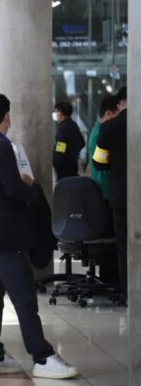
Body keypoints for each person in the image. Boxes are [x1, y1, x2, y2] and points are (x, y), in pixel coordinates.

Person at [0, 92, 79, 379]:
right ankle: (41, 357)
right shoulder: (2, 147)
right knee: (24, 297)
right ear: (7, 116)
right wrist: (33, 188)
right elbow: (14, 190)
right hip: (8, 234)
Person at [93, 86, 128, 301]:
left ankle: (128, 293)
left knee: (124, 248)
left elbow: (99, 162)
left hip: (122, 197)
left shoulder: (109, 128)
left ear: (119, 103)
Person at [87, 95, 119, 200]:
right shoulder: (101, 133)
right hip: (104, 190)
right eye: (118, 115)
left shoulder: (98, 130)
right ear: (109, 114)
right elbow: (101, 165)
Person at [52, 101, 85, 180]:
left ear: (61, 113)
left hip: (63, 169)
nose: (55, 114)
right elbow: (82, 143)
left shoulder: (62, 128)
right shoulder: (74, 125)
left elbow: (60, 148)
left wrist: (56, 160)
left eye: (56, 111)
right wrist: (73, 153)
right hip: (73, 165)